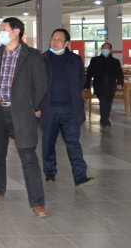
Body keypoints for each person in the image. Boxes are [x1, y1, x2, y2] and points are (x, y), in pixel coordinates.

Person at [0, 17, 48, 217]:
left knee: (28, 155)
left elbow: (41, 85)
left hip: (20, 111)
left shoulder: (32, 56)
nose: (0, 32)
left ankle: (37, 202)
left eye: (3, 29)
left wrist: (29, 105)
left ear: (16, 31)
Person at [38, 29, 95, 186]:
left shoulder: (75, 59)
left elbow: (82, 78)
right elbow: (35, 83)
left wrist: (73, 92)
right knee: (48, 143)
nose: (55, 42)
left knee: (73, 143)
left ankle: (80, 176)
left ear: (66, 43)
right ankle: (50, 171)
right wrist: (36, 106)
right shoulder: (42, 59)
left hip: (70, 109)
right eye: (53, 39)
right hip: (49, 109)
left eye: (59, 39)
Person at [84, 42, 124, 131]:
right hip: (99, 86)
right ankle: (105, 121)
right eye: (104, 48)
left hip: (111, 87)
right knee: (103, 103)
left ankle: (104, 120)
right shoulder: (95, 60)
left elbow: (119, 73)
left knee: (108, 104)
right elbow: (89, 73)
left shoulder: (115, 61)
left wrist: (120, 83)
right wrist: (86, 85)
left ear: (110, 50)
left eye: (107, 48)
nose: (105, 49)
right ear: (101, 49)